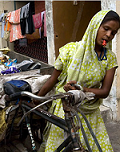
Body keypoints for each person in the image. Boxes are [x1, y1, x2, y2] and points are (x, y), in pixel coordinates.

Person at [37, 10, 120, 152]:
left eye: (113, 33)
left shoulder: (109, 58)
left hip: (90, 114)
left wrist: (83, 90)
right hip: (66, 110)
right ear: (95, 26)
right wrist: (37, 99)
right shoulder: (70, 51)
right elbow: (53, 79)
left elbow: (105, 91)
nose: (108, 35)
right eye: (106, 29)